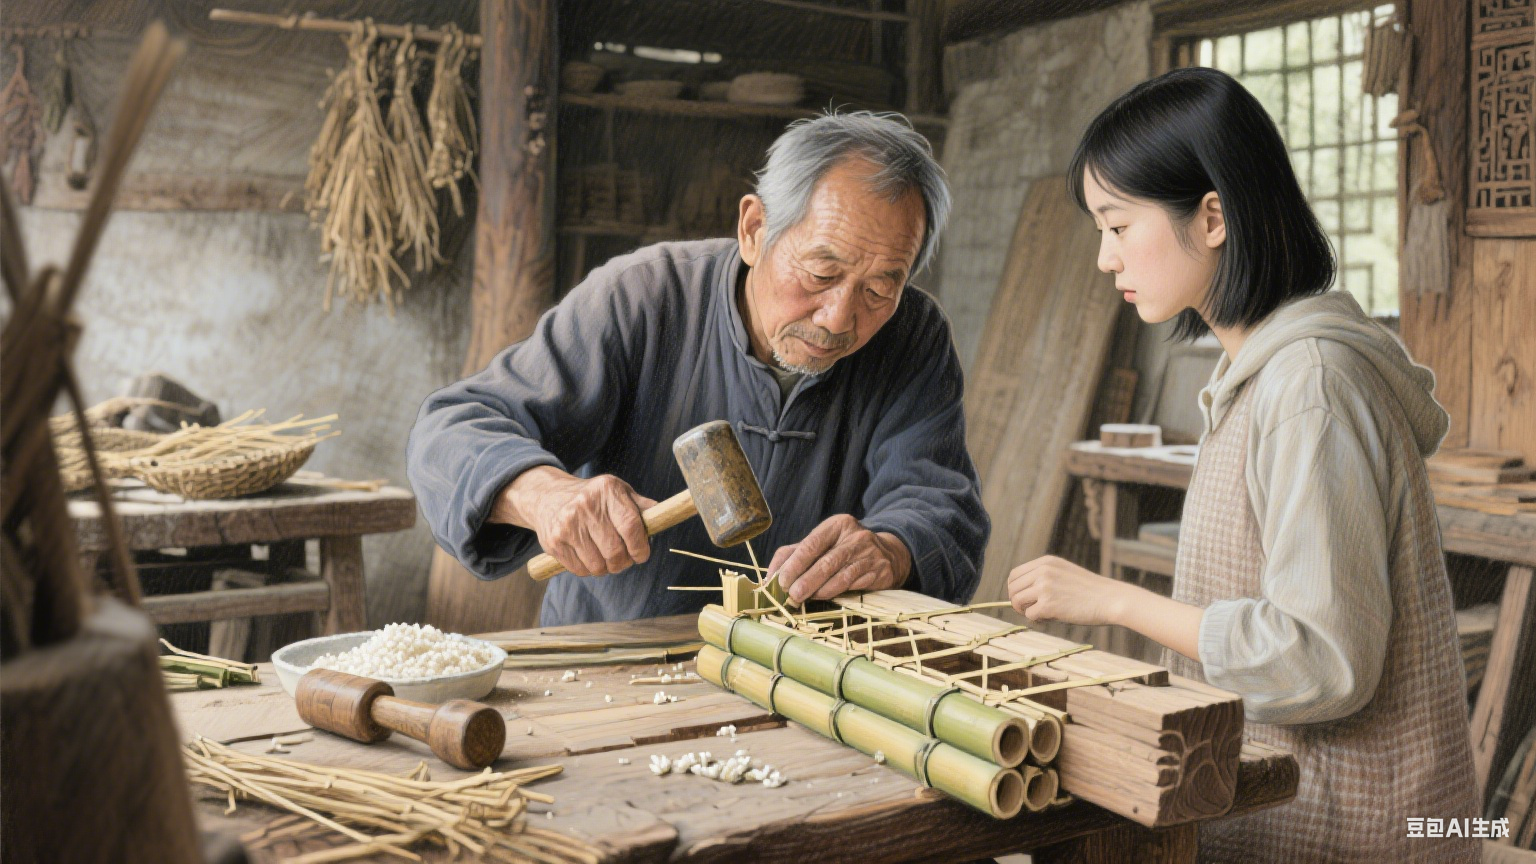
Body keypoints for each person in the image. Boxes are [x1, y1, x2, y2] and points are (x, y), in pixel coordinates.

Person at [1005, 68, 1479, 862]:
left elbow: (1318, 659)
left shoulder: (1312, 386)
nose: (1103, 257)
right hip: (1289, 811)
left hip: (1357, 837)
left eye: (1118, 226)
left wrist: (1113, 600)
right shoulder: (1263, 374)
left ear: (1214, 215)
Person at [408, 111, 988, 627]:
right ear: (755, 230)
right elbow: (452, 428)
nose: (839, 318)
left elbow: (943, 508)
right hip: (614, 659)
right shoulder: (645, 296)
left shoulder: (912, 335)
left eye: (882, 286)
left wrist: (892, 548)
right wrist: (544, 494)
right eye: (820, 272)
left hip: (800, 674)